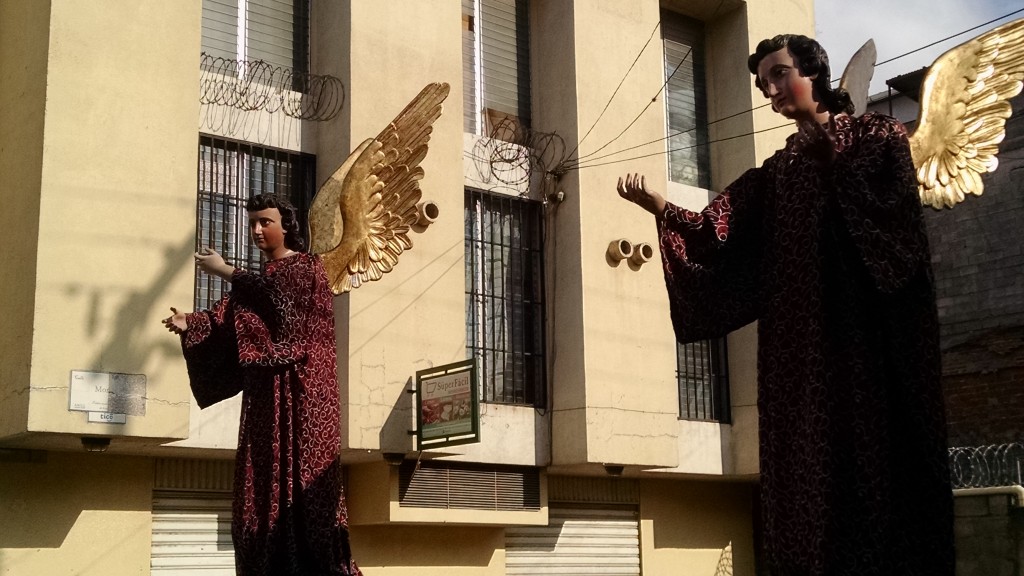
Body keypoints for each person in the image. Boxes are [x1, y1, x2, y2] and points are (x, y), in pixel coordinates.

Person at [617, 35, 953, 575]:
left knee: (870, 468)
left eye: (779, 75)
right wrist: (660, 206)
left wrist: (836, 169)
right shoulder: (775, 172)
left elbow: (897, 225)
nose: (770, 90)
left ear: (814, 72)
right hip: (795, 349)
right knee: (802, 472)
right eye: (762, 83)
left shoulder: (876, 136)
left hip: (863, 340)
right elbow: (716, 231)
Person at [163, 194, 361, 576]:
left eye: (265, 221)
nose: (256, 230)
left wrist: (226, 270)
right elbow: (229, 317)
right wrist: (193, 323)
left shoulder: (307, 268)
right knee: (261, 487)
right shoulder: (255, 283)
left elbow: (280, 299)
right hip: (266, 395)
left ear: (286, 225)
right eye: (252, 222)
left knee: (306, 488)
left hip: (305, 394)